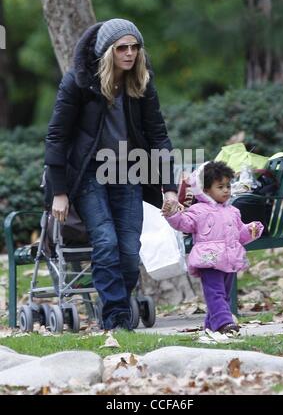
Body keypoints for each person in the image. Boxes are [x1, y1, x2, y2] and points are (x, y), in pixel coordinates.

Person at [45, 18, 178, 331]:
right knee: (105, 240)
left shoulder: (141, 81)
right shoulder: (78, 82)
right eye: (122, 48)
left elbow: (158, 135)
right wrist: (59, 191)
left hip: (128, 170)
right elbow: (56, 136)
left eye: (134, 47)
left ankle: (116, 302)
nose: (129, 53)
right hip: (89, 173)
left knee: (129, 249)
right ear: (108, 51)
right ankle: (116, 318)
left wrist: (169, 189)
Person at [162, 161, 264, 335]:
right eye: (220, 187)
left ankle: (211, 326)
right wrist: (173, 214)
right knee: (215, 293)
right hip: (208, 260)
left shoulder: (233, 211)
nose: (226, 190)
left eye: (228, 186)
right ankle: (225, 323)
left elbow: (239, 235)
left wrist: (251, 230)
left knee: (223, 295)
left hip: (229, 259)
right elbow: (184, 224)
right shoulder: (198, 210)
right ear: (206, 190)